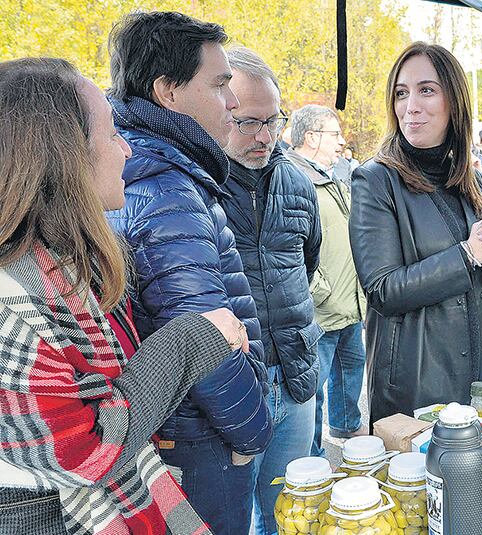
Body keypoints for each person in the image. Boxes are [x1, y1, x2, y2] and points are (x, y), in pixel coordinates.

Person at [0, 57, 253, 535]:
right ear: (66, 155)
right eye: (112, 135)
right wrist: (194, 339)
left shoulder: (67, 263)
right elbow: (89, 447)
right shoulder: (12, 308)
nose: (126, 151)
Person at [105, 12, 272, 534]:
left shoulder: (165, 168)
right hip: (200, 437)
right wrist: (251, 433)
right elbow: (200, 336)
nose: (233, 102)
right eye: (220, 85)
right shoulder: (164, 186)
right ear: (167, 92)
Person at [349, 42, 482, 425]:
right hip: (419, 379)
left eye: (426, 90)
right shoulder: (375, 180)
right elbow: (382, 290)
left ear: (453, 102)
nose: (411, 105)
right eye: (401, 92)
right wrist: (468, 254)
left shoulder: (467, 176)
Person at [218, 48, 323, 535]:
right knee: (231, 519)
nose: (264, 136)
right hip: (234, 390)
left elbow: (308, 263)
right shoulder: (199, 189)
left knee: (290, 517)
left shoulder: (299, 185)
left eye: (274, 121)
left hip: (297, 379)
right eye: (247, 122)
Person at [285, 104, 369, 456]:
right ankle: (314, 457)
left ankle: (347, 426)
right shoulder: (294, 178)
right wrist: (319, 289)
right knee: (313, 387)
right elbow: (290, 246)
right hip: (322, 307)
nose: (341, 142)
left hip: (346, 303)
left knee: (351, 367)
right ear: (311, 137)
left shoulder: (330, 175)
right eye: (334, 135)